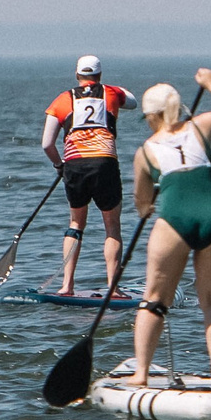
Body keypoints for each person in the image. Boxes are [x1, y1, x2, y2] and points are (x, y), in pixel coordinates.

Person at [126, 69, 211, 388]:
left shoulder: (145, 152)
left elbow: (142, 206)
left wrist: (151, 199)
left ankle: (140, 375)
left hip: (174, 221)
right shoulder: (201, 126)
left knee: (153, 300)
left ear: (151, 116)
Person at [42, 56, 135, 295]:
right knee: (112, 226)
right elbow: (133, 102)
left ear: (76, 75)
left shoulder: (63, 99)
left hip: (74, 165)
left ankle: (67, 286)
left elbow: (47, 145)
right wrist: (109, 88)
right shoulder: (112, 93)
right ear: (100, 76)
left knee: (75, 223)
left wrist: (58, 166)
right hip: (105, 163)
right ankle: (113, 288)